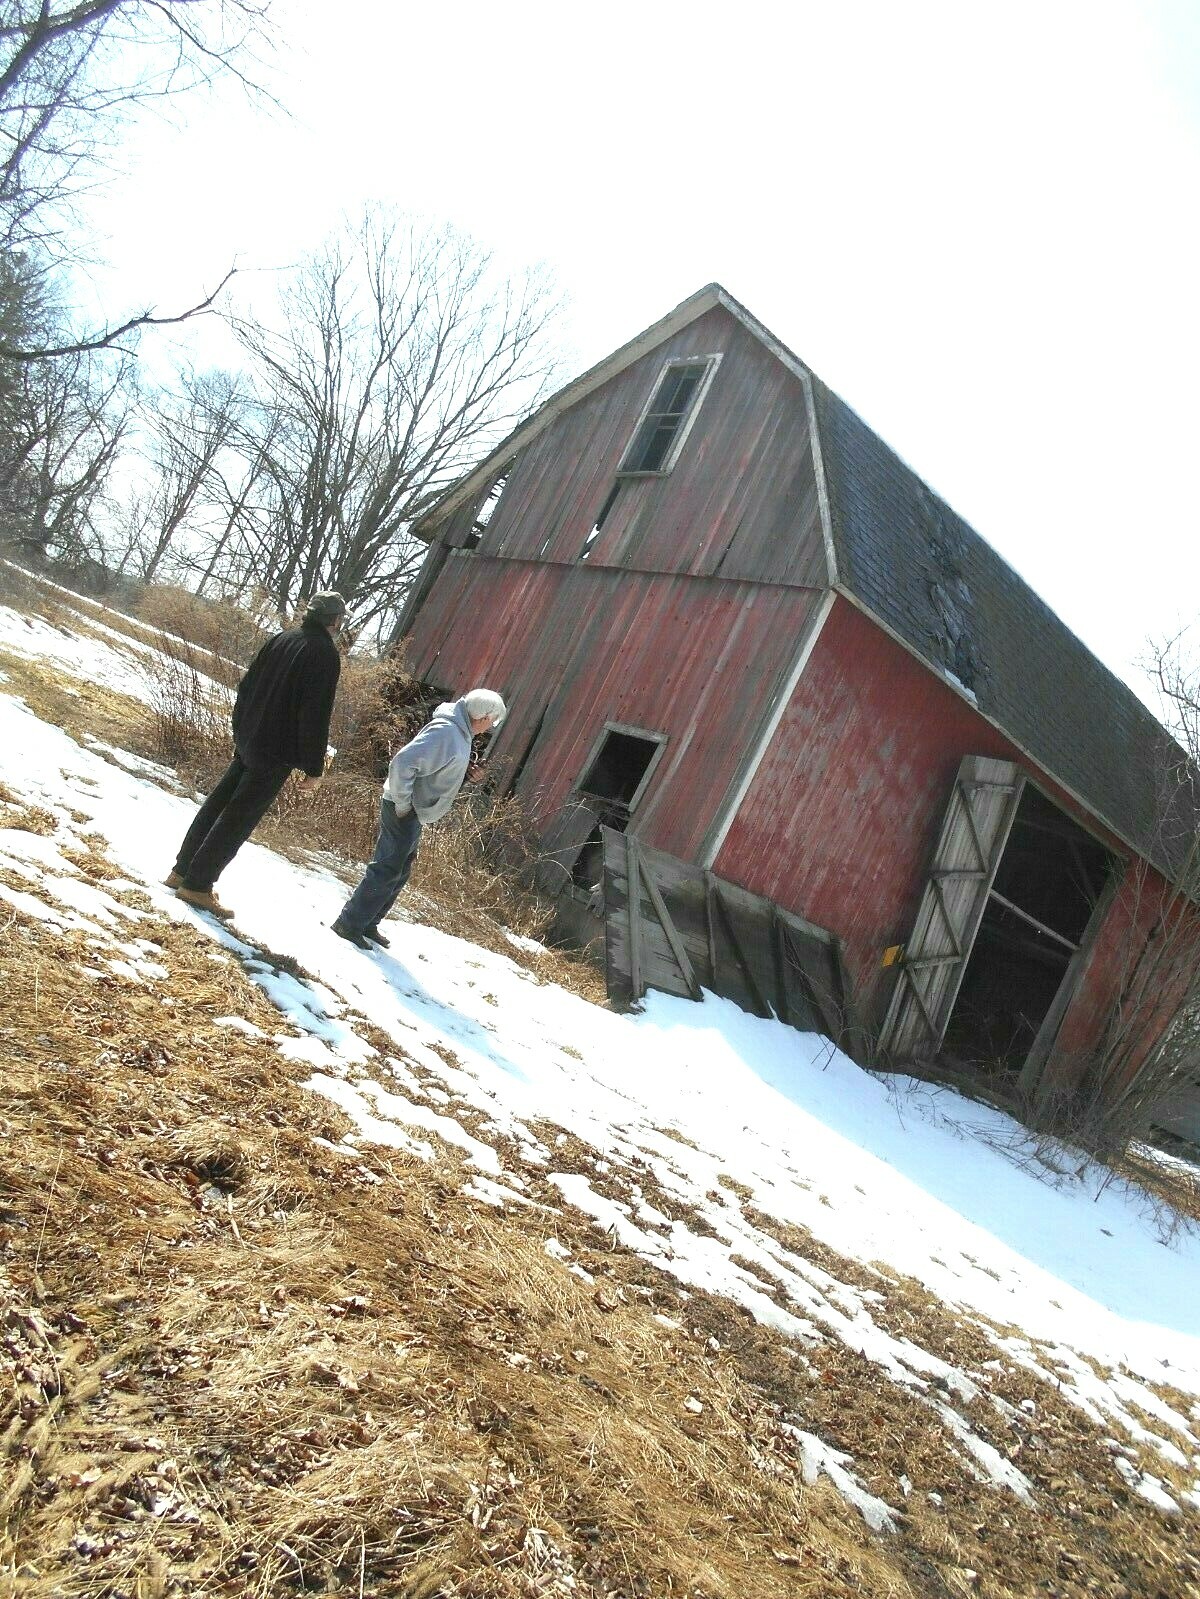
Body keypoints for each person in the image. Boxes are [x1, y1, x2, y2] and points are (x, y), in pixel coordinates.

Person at [168, 592, 346, 919]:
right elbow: (315, 714)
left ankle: (182, 871)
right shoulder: (324, 654)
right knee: (237, 819)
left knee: (218, 804)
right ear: (335, 621)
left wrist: (241, 728)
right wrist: (314, 767)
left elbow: (247, 686)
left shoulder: (282, 639)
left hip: (250, 739)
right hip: (275, 751)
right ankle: (197, 884)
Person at [331, 688, 506, 950]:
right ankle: (350, 923)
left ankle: (368, 922)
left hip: (413, 809)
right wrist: (403, 804)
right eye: (492, 720)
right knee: (387, 867)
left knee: (399, 869)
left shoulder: (460, 733)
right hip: (404, 807)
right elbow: (403, 763)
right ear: (481, 716)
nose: (490, 726)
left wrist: (466, 776)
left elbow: (437, 770)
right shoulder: (447, 731)